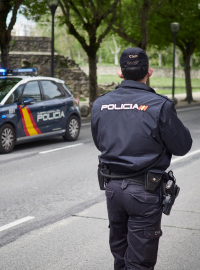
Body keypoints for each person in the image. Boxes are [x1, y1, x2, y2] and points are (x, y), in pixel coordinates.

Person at [91, 47, 192, 270]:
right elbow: (183, 146)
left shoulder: (100, 104)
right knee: (139, 263)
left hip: (113, 190)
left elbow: (101, 143)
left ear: (120, 73)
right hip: (145, 193)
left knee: (121, 257)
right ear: (150, 72)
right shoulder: (159, 105)